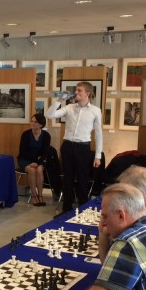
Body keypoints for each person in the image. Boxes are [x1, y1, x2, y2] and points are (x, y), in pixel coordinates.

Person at [45, 81, 103, 214]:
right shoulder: (69, 107)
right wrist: (59, 100)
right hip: (67, 146)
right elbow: (49, 115)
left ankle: (83, 210)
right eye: (76, 90)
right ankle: (66, 210)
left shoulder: (95, 111)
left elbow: (99, 134)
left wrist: (98, 156)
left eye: (79, 90)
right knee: (67, 179)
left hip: (83, 148)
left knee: (82, 179)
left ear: (87, 93)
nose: (76, 92)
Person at [17, 113, 51, 206]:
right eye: (31, 121)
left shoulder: (46, 135)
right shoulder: (26, 134)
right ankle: (33, 195)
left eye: (35, 122)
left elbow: (45, 152)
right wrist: (34, 161)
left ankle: (40, 195)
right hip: (25, 159)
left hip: (39, 160)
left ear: (41, 124)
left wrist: (37, 162)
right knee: (32, 170)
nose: (32, 123)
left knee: (39, 170)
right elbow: (22, 151)